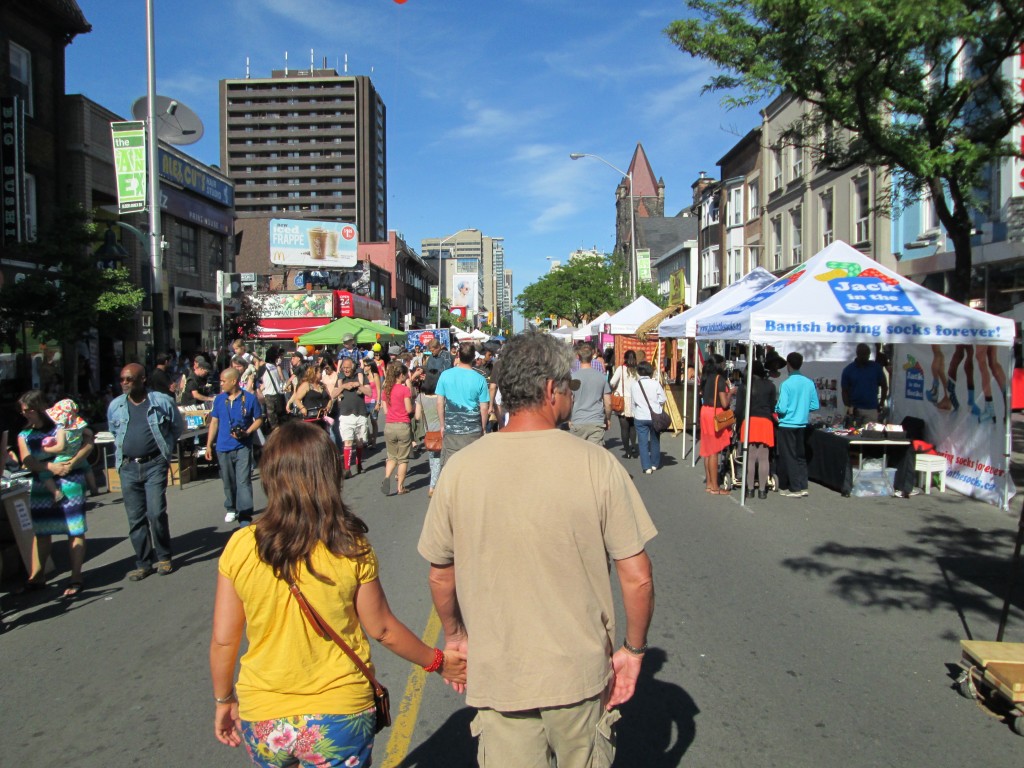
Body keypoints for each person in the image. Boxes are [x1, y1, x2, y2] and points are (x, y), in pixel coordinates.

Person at [418, 331, 656, 768]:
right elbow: (637, 575)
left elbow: (440, 573)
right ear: (550, 391)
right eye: (567, 387)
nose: (569, 396)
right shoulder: (596, 463)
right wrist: (633, 650)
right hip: (579, 675)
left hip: (501, 674)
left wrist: (455, 635)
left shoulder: (460, 469)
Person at [210, 422, 466, 765]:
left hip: (265, 714)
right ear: (330, 474)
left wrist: (224, 698)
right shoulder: (349, 545)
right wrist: (438, 663)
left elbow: (224, 640)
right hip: (339, 712)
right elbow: (383, 629)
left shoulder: (241, 546)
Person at [107, 363, 184, 580]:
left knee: (156, 512)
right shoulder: (116, 406)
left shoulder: (161, 402)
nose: (124, 383)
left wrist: (165, 452)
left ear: (142, 380)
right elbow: (115, 431)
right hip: (128, 467)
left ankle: (164, 556)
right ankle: (143, 562)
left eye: (129, 379)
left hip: (155, 464)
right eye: (122, 379)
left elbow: (177, 427)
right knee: (135, 518)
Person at [17, 391, 93, 597]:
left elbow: (88, 440)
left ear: (40, 408)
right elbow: (27, 460)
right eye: (23, 411)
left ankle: (76, 576)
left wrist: (73, 462)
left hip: (70, 480)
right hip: (42, 485)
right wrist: (50, 467)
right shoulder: (24, 435)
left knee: (74, 529)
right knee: (42, 532)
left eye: (29, 410)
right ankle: (36, 576)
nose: (26, 414)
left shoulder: (63, 424)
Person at [207, 368, 263, 526]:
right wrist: (209, 444)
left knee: (243, 480)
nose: (221, 384)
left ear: (233, 381)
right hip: (223, 447)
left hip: (243, 446)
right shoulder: (219, 400)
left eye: (223, 381)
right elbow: (214, 422)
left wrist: (248, 432)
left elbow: (258, 419)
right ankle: (231, 507)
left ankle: (245, 515)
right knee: (228, 481)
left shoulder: (249, 399)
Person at [436, 342, 490, 469]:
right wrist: (482, 427)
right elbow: (484, 407)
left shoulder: (445, 375)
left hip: (452, 429)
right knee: (472, 467)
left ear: (458, 355)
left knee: (450, 467)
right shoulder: (480, 379)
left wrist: (442, 425)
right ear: (473, 357)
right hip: (472, 430)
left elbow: (439, 403)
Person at [774, 352, 820, 498]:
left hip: (787, 423)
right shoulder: (808, 383)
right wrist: (803, 408)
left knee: (789, 455)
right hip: (802, 423)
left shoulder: (786, 384)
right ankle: (803, 485)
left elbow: (781, 408)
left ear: (788, 365)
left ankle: (795, 488)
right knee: (800, 455)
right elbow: (814, 404)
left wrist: (776, 409)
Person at [736, 360, 777, 499]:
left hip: (750, 421)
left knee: (750, 457)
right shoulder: (770, 386)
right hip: (765, 422)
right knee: (764, 457)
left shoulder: (744, 387)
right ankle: (762, 490)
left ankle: (750, 489)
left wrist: (738, 426)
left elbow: (739, 409)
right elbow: (772, 407)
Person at [36, 398, 88, 503]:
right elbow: (90, 434)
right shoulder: (78, 427)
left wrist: (46, 449)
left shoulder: (62, 430)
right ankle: (94, 487)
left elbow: (60, 447)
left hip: (63, 458)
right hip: (78, 458)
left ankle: (56, 493)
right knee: (87, 468)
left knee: (43, 474)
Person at [699, 355, 733, 495]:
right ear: (719, 365)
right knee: (714, 452)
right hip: (715, 414)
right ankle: (715, 486)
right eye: (724, 363)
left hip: (705, 411)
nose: (725, 365)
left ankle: (709, 483)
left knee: (707, 450)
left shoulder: (706, 377)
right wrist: (731, 392)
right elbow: (724, 403)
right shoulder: (720, 379)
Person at [330, 357, 369, 477]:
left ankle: (358, 463)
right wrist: (343, 387)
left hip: (360, 413)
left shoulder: (360, 376)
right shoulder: (341, 378)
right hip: (345, 414)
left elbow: (369, 392)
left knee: (359, 442)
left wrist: (358, 385)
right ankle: (347, 469)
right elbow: (333, 394)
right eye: (344, 368)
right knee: (347, 441)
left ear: (353, 367)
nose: (346, 370)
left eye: (348, 368)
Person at [380, 361, 414, 496]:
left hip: (389, 425)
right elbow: (409, 409)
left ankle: (387, 477)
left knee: (391, 456)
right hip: (402, 425)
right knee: (403, 459)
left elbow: (386, 412)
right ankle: (400, 487)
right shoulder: (405, 390)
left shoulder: (386, 390)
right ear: (400, 375)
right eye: (405, 374)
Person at [568, 342, 611, 445]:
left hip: (578, 420)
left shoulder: (573, 378)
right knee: (594, 457)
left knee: (578, 455)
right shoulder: (601, 377)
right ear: (592, 356)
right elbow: (608, 403)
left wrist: (569, 418)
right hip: (596, 421)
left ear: (578, 357)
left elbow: (569, 400)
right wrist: (608, 418)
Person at [631, 361, 667, 475]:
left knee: (642, 442)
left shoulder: (635, 385)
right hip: (655, 415)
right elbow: (663, 399)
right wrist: (656, 404)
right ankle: (654, 464)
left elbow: (633, 402)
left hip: (640, 416)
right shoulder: (655, 384)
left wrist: (634, 413)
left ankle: (646, 467)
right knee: (655, 440)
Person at [841, 343, 888, 424]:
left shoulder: (876, 368)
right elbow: (844, 391)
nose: (866, 357)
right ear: (858, 354)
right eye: (863, 354)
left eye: (867, 354)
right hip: (855, 408)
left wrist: (881, 403)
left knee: (871, 434)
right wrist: (848, 407)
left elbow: (884, 386)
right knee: (853, 434)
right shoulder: (848, 370)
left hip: (871, 408)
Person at [415, 369, 443, 497]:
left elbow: (417, 416)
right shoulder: (441, 397)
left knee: (432, 459)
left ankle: (434, 483)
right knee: (439, 460)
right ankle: (433, 486)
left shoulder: (420, 397)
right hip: (441, 431)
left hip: (429, 432)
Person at [609, 350, 640, 459]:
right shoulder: (637, 370)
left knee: (624, 428)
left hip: (622, 400)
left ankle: (627, 451)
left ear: (625, 358)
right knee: (633, 426)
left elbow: (612, 382)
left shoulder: (621, 369)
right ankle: (634, 447)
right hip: (635, 401)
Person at [257, 346, 287, 433]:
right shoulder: (272, 367)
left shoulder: (265, 367)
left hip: (270, 396)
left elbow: (257, 379)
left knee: (274, 423)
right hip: (278, 395)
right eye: (277, 357)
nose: (279, 358)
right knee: (281, 421)